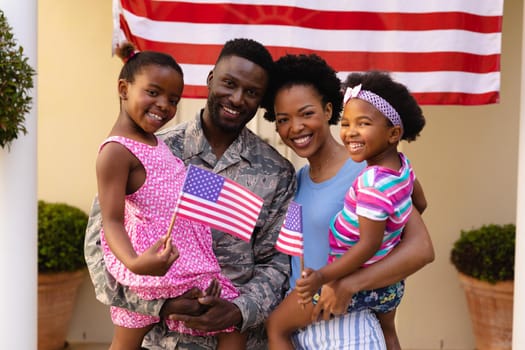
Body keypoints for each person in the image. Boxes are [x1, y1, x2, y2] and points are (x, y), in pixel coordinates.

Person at [84, 38, 297, 349]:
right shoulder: (152, 148)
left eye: (251, 92)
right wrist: (161, 306)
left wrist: (239, 310)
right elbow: (99, 250)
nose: (237, 98)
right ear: (210, 80)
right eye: (229, 83)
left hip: (237, 338)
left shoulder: (277, 172)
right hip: (162, 341)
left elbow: (278, 264)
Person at [261, 54, 433, 349]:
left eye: (306, 113)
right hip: (304, 328)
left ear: (328, 110)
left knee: (275, 327)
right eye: (283, 120)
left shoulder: (366, 172)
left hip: (344, 327)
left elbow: (421, 249)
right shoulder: (297, 180)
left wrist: (348, 284)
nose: (296, 127)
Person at [95, 42, 245, 349]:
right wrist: (136, 264)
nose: (164, 104)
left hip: (182, 258)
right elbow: (111, 221)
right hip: (151, 264)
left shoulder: (154, 141)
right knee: (126, 341)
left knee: (229, 323)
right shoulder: (115, 152)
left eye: (173, 99)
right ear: (124, 88)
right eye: (153, 92)